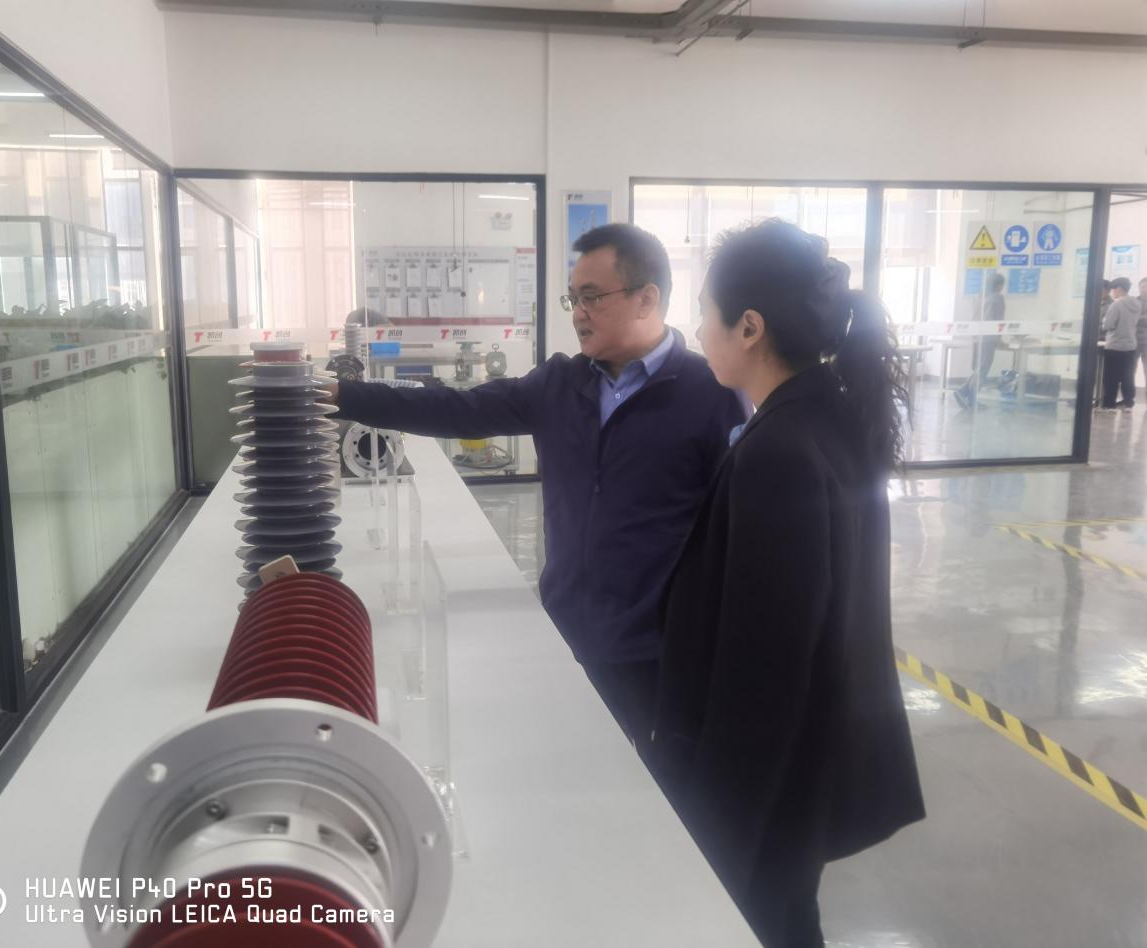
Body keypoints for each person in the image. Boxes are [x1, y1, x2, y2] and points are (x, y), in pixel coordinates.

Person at [329, 224, 746, 742]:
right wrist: (341, 396)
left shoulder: (710, 394)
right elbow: (457, 409)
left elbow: (735, 537)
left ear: (647, 298)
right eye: (574, 298)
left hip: (659, 653)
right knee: (566, 758)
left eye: (592, 297)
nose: (578, 312)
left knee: (649, 779)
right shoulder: (560, 384)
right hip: (564, 632)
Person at [651, 219, 924, 948]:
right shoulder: (827, 420)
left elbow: (765, 668)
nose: (696, 330)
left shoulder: (780, 452)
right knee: (788, 916)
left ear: (749, 327)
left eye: (705, 312)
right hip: (808, 756)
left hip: (771, 777)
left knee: (769, 920)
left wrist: (723, 823)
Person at [953, 271, 1006, 409]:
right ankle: (968, 395)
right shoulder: (997, 298)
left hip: (977, 336)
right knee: (983, 368)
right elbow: (997, 320)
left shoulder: (979, 297)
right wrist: (998, 339)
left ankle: (966, 394)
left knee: (979, 368)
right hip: (989, 337)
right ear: (999, 285)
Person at [1100, 276, 1142, 411]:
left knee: (1111, 377)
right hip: (1130, 345)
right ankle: (1128, 403)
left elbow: (1108, 325)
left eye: (1113, 289)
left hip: (1115, 345)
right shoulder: (1137, 303)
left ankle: (1109, 405)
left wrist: (1104, 321)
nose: (1112, 292)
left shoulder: (1116, 304)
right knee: (1127, 376)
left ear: (1119, 289)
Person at [1137, 277, 1147, 390]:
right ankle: (1128, 398)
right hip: (1134, 340)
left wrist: (1139, 318)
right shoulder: (1134, 302)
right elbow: (1131, 319)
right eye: (1143, 287)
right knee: (1130, 370)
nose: (1145, 289)